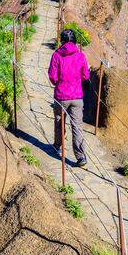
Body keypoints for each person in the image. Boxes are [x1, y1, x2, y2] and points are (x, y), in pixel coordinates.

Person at [47, 29, 90, 167]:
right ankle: (81, 156)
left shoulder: (56, 55)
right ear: (75, 40)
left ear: (62, 40)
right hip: (77, 96)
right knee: (77, 126)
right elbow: (86, 76)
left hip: (61, 96)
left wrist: (59, 83)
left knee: (59, 122)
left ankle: (57, 146)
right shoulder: (81, 56)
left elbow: (52, 77)